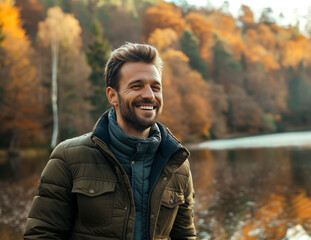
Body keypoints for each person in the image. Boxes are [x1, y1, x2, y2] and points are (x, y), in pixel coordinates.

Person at [23, 43, 196, 240]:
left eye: (155, 87)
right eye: (137, 86)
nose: (149, 95)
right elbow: (42, 235)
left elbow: (185, 236)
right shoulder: (68, 158)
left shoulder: (177, 164)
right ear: (112, 95)